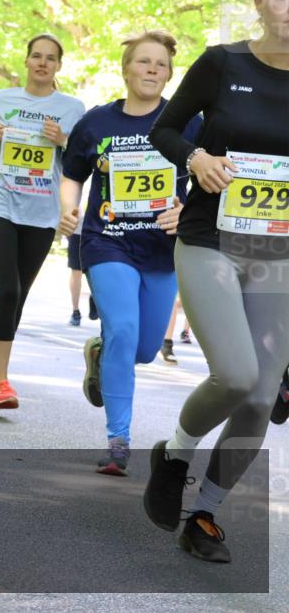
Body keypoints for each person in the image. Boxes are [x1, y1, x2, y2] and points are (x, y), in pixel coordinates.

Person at [143, 0, 289, 564]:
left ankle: (203, 513)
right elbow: (166, 130)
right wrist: (196, 157)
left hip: (278, 253)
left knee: (259, 399)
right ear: (259, 1)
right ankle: (175, 452)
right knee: (236, 375)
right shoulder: (222, 63)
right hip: (211, 240)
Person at [59, 29, 201, 476]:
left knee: (141, 349)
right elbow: (72, 174)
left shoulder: (188, 125)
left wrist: (188, 209)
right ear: (125, 70)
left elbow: (210, 179)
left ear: (169, 74)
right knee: (122, 328)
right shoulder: (97, 123)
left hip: (163, 250)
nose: (152, 70)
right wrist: (69, 209)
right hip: (107, 242)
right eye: (144, 61)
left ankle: (101, 354)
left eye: (160, 64)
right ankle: (118, 440)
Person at [0, 34, 86, 408]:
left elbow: (80, 161)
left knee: (18, 295)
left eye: (50, 58)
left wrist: (64, 140)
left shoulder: (72, 107)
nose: (42, 63)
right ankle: (0, 383)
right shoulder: (1, 100)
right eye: (36, 56)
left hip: (42, 210)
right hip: (0, 201)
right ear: (26, 61)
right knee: (7, 288)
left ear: (58, 66)